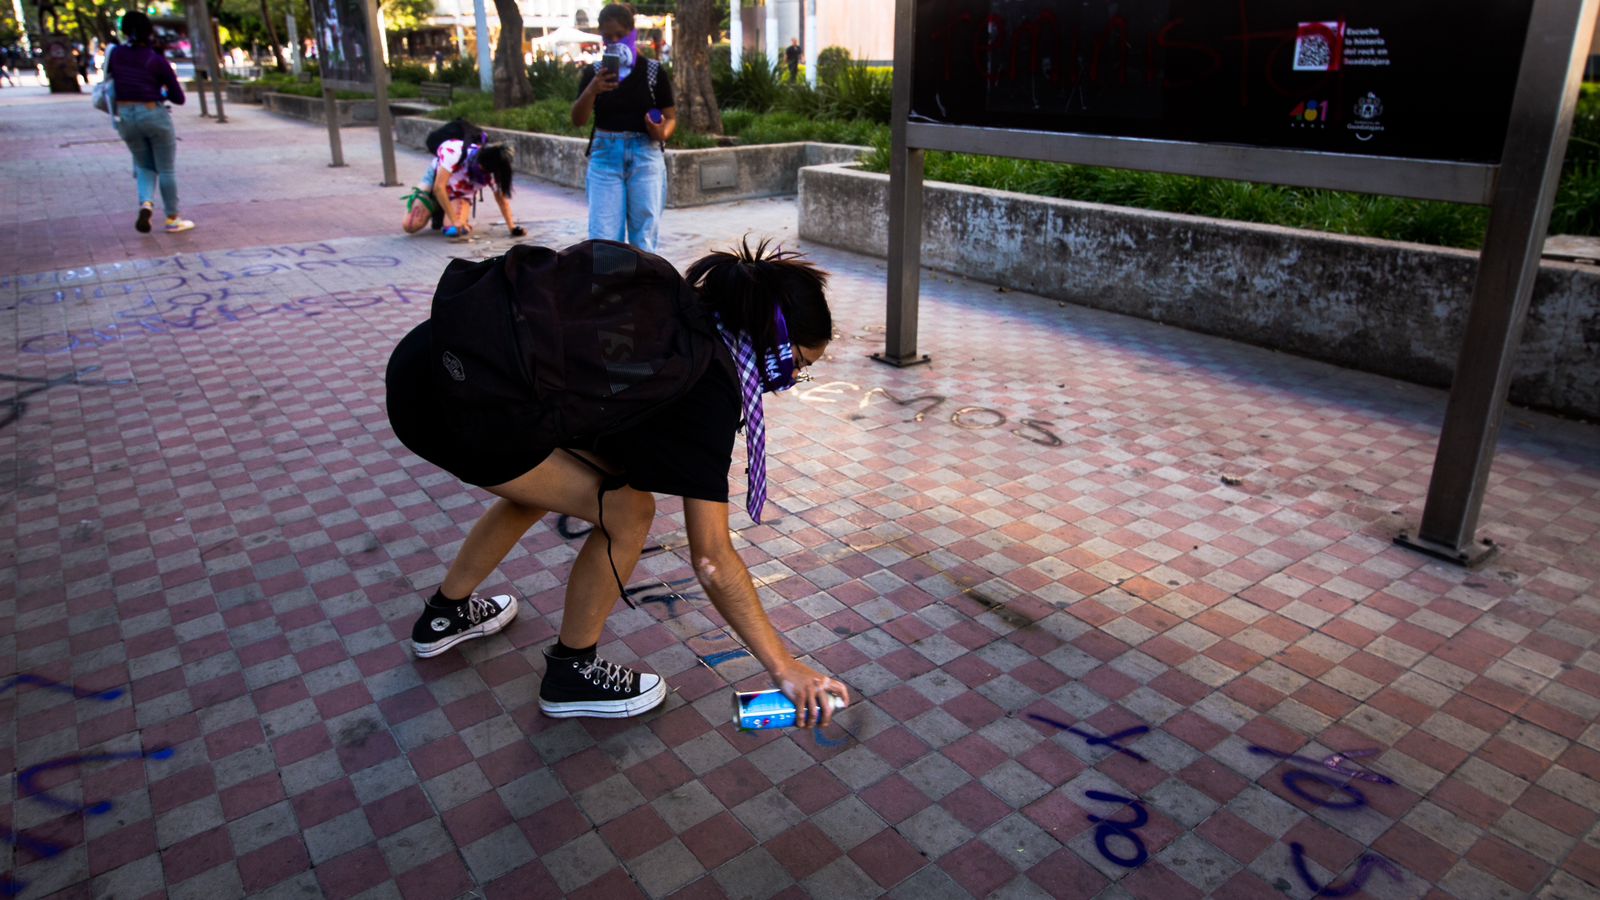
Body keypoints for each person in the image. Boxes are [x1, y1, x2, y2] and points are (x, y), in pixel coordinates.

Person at [384, 237, 850, 724]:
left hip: (433, 357)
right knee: (629, 511)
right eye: (797, 364)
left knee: (550, 485)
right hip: (457, 409)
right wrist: (783, 665)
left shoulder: (675, 307)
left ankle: (445, 616)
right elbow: (711, 557)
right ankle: (571, 673)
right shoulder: (709, 384)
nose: (791, 380)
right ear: (771, 338)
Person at [570, 3, 676, 254]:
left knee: (644, 238)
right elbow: (578, 120)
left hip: (646, 155)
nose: (614, 41)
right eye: (608, 37)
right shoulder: (594, 72)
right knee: (605, 240)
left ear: (632, 32)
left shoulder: (653, 71)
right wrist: (592, 90)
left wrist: (661, 132)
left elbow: (671, 117)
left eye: (620, 35)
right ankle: (611, 292)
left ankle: (643, 291)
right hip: (606, 156)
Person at [107, 12, 194, 233]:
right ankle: (173, 218)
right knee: (165, 169)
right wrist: (161, 91)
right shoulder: (155, 59)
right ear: (149, 32)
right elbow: (178, 98)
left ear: (125, 31)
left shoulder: (115, 54)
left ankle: (146, 203)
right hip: (153, 113)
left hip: (125, 116)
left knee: (144, 165)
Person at [402, 128, 523, 239]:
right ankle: (437, 205)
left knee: (454, 231)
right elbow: (439, 187)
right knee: (410, 225)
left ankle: (445, 209)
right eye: (479, 168)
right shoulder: (454, 153)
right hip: (436, 181)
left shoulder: (492, 173)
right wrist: (454, 219)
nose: (480, 172)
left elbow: (502, 201)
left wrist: (512, 227)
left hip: (460, 193)